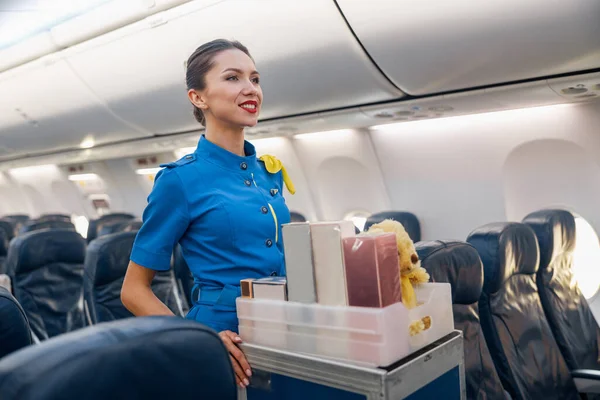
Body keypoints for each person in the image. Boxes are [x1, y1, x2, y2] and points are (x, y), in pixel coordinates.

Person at [121, 39, 294, 389]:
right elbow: (133, 290)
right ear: (198, 97)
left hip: (284, 329)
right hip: (222, 339)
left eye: (255, 79)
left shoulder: (266, 172)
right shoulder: (180, 180)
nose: (251, 89)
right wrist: (199, 340)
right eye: (233, 78)